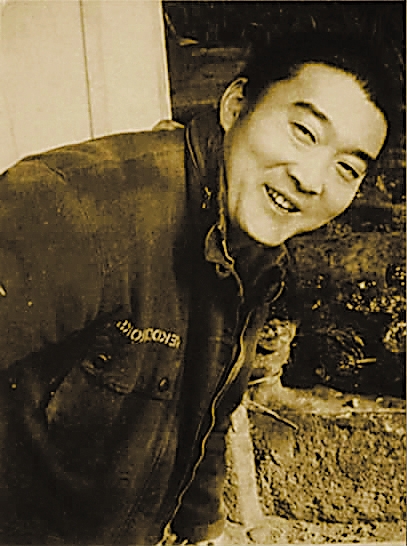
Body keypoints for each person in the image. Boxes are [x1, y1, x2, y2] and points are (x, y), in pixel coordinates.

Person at [0, 30, 398, 545]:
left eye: (347, 168)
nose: (312, 179)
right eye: (304, 132)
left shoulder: (255, 247)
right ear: (236, 105)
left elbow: (209, 408)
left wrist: (201, 530)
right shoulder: (78, 208)